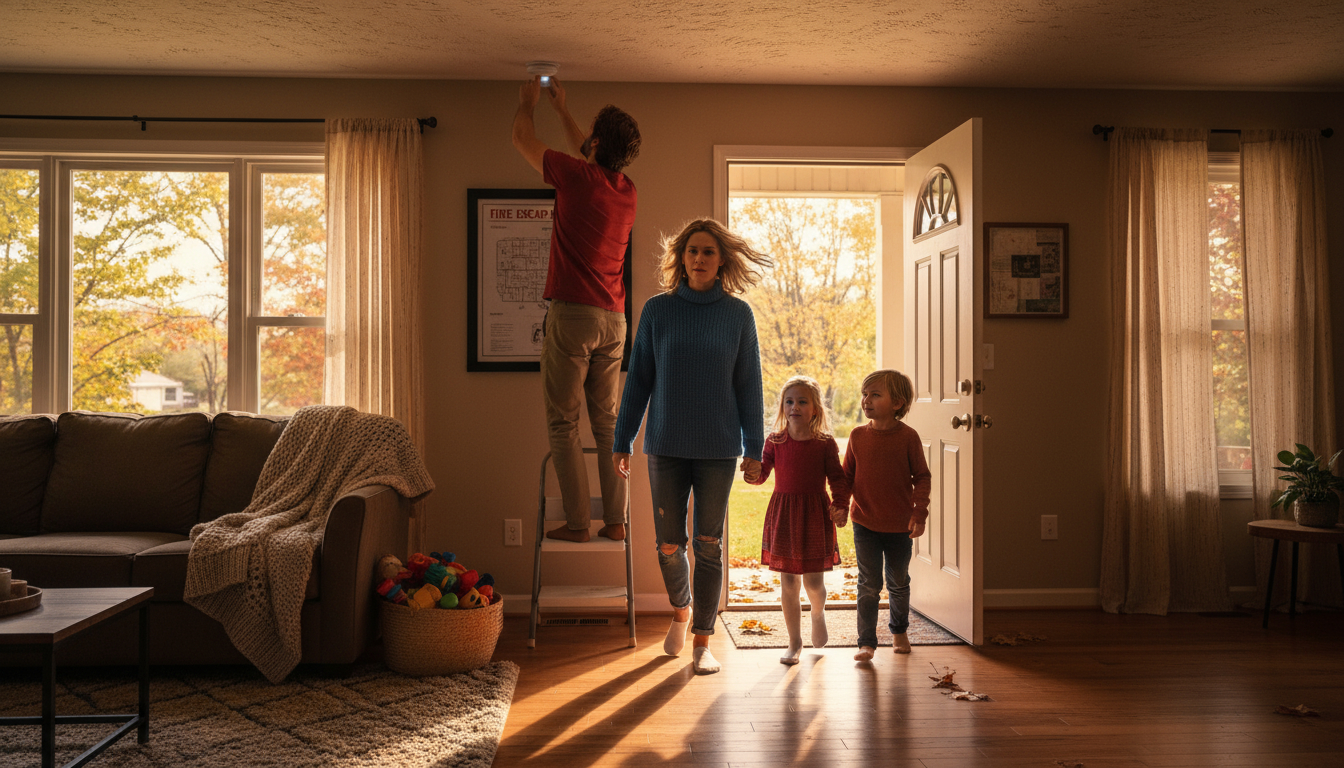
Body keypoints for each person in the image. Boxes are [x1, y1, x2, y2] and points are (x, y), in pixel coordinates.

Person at [613, 219, 772, 675]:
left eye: (708, 252)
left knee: (708, 544)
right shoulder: (657, 311)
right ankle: (681, 610)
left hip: (719, 448)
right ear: (681, 259)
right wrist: (623, 439)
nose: (699, 259)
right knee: (668, 545)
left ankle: (703, 640)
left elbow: (750, 385)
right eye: (692, 251)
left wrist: (754, 447)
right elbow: (638, 381)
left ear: (722, 261)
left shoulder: (738, 315)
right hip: (665, 444)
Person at [512, 75, 641, 543]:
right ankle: (616, 521)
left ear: (597, 143)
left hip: (574, 316)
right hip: (615, 320)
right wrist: (563, 109)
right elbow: (589, 150)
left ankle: (578, 523)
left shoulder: (574, 176)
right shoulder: (627, 190)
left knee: (563, 422)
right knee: (607, 424)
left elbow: (522, 139)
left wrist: (528, 103)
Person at [747, 375, 851, 665]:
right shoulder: (775, 441)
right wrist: (752, 472)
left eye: (802, 402)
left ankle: (817, 613)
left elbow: (838, 479)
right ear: (783, 406)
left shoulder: (824, 443)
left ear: (815, 409)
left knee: (814, 583)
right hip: (784, 514)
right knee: (789, 583)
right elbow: (762, 474)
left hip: (815, 514)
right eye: (789, 401)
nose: (795, 407)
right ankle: (794, 642)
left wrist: (841, 506)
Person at [834, 369, 931, 661]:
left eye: (875, 395)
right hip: (865, 523)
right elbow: (846, 476)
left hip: (900, 525)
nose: (866, 400)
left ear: (897, 403)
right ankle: (866, 642)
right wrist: (840, 505)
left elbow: (922, 477)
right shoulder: (857, 436)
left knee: (898, 582)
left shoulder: (908, 437)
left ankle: (899, 630)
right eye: (865, 394)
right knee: (868, 583)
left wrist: (919, 512)